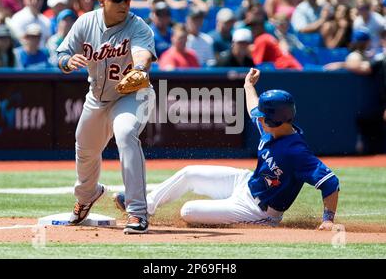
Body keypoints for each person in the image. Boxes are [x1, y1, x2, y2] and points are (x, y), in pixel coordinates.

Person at [113, 68, 340, 230]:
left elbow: (330, 183)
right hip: (245, 183)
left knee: (188, 211)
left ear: (274, 120)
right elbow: (253, 107)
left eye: (263, 117)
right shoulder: (272, 129)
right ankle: (145, 207)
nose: (257, 118)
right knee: (190, 172)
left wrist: (328, 219)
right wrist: (248, 85)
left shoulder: (296, 152)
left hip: (258, 210)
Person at [56, 0, 156, 234]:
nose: (125, 3)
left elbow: (143, 54)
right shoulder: (86, 22)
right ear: (102, 1)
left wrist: (141, 68)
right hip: (97, 98)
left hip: (133, 94)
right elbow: (61, 55)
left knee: (125, 133)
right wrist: (68, 61)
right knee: (84, 147)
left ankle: (137, 212)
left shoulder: (138, 26)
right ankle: (88, 196)